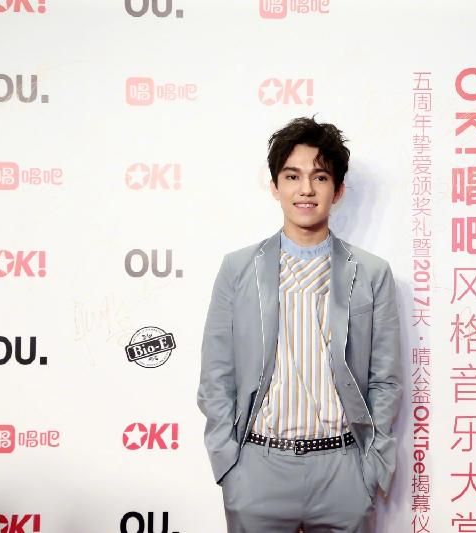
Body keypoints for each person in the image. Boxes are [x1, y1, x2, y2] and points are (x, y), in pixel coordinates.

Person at [197, 116, 404, 532]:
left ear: (338, 190)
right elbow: (216, 375)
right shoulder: (237, 269)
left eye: (320, 177)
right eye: (292, 176)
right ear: (275, 186)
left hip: (344, 470)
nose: (306, 189)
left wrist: (371, 466)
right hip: (258, 469)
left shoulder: (372, 273)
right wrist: (229, 465)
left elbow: (386, 379)